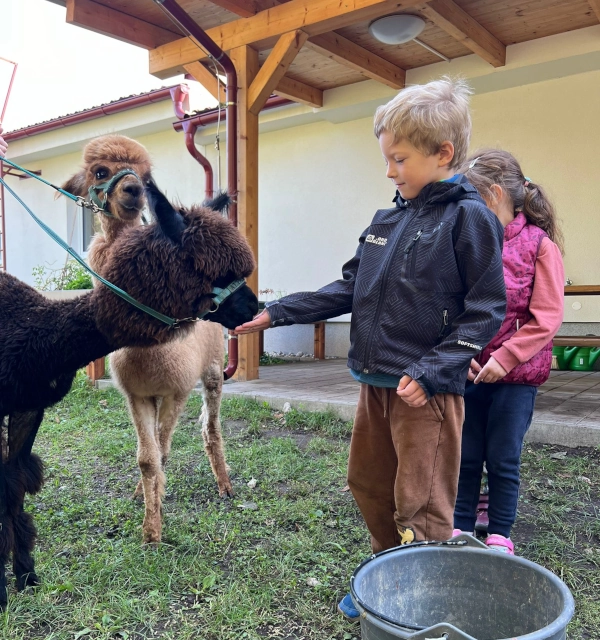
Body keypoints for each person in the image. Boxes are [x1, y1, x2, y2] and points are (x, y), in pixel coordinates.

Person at [233, 77, 506, 620]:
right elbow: (348, 289)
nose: (389, 171)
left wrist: (431, 371)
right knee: (367, 484)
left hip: (423, 395)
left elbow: (487, 309)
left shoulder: (469, 218)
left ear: (442, 153)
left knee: (421, 502)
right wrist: (279, 311)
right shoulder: (387, 219)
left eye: (399, 159)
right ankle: (388, 574)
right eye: (387, 159)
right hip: (374, 384)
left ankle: (421, 603)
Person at [452, 149, 565, 555]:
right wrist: (460, 353)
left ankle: (500, 534)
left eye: (470, 198)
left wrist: (506, 358)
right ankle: (460, 530)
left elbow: (547, 316)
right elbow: (455, 305)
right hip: (470, 372)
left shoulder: (540, 246)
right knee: (464, 457)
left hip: (515, 380)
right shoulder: (468, 242)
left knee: (502, 459)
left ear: (494, 194)